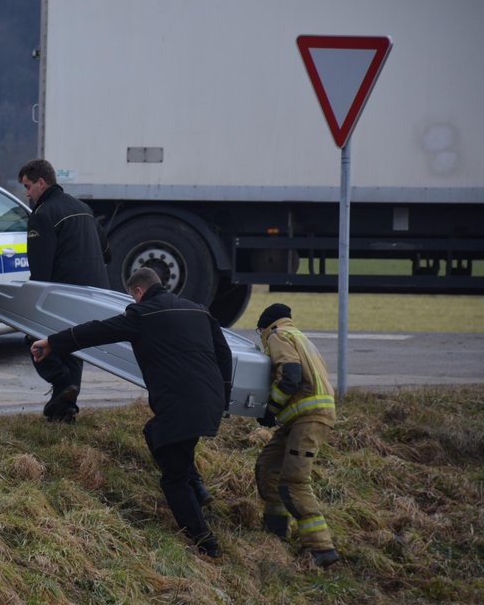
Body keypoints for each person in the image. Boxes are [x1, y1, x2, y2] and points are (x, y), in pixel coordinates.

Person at [30, 267, 232, 557]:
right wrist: (222, 395)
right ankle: (196, 486)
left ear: (138, 292)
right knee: (157, 435)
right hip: (211, 400)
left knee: (172, 478)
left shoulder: (143, 314)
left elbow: (97, 330)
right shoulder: (198, 310)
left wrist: (53, 342)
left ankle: (204, 542)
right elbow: (224, 353)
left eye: (132, 297)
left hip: (179, 405)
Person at [18, 158, 112, 422]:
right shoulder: (83, 208)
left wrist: (32, 307)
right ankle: (65, 409)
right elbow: (107, 253)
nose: (26, 193)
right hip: (95, 294)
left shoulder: (42, 214)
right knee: (73, 343)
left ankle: (62, 384)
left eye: (27, 186)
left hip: (64, 292)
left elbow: (41, 269)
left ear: (41, 182)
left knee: (35, 341)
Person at [254, 303, 339, 567]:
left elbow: (289, 375)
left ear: (264, 328)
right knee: (268, 467)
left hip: (307, 419)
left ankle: (321, 548)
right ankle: (276, 532)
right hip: (300, 419)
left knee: (294, 482)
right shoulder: (299, 336)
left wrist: (270, 409)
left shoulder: (278, 335)